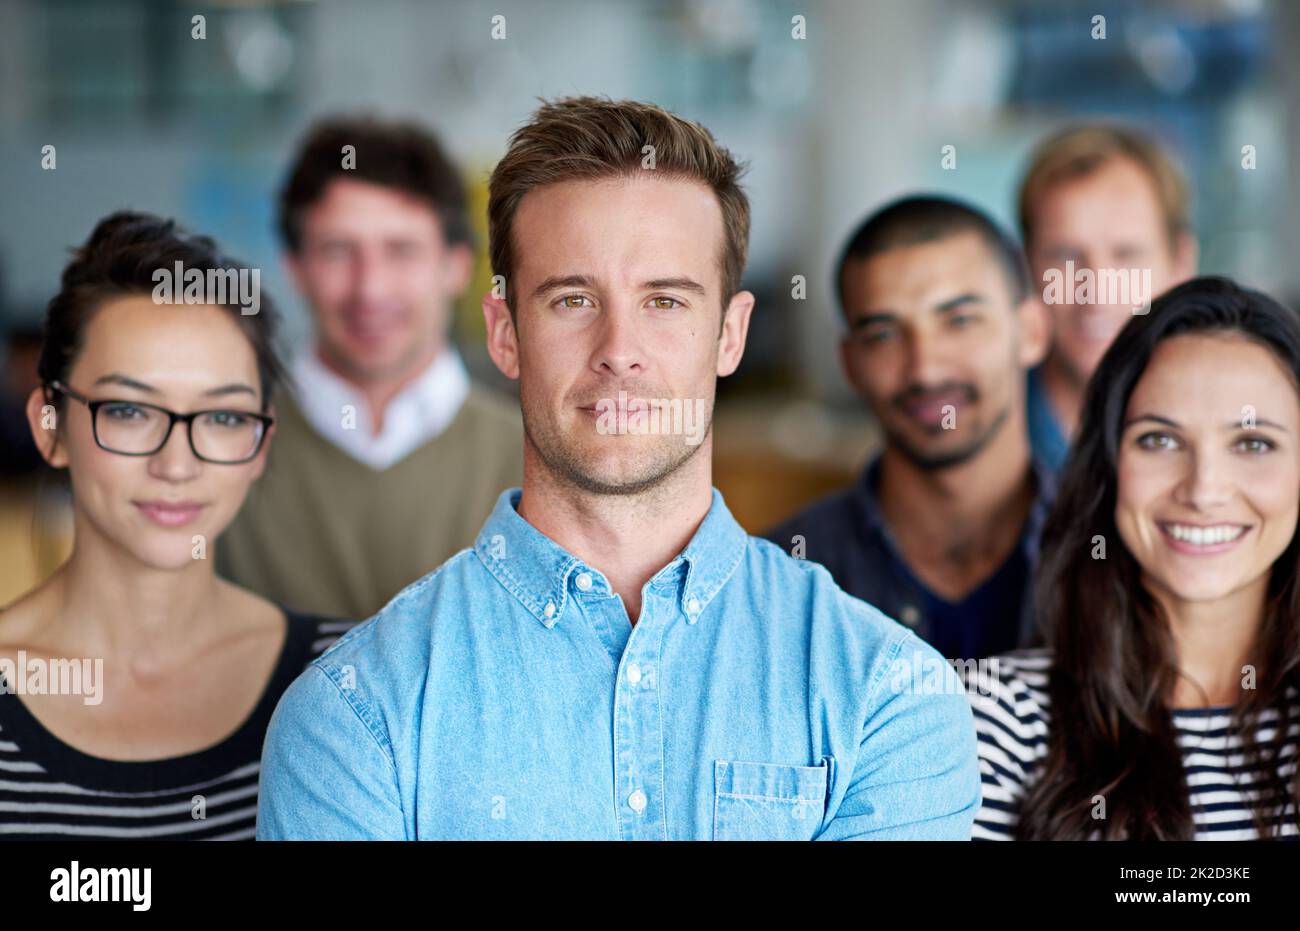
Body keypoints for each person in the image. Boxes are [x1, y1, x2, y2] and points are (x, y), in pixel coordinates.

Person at [257, 97, 980, 841]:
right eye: (572, 299)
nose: (619, 348)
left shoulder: (890, 692)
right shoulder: (349, 714)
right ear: (504, 335)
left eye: (665, 300)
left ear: (730, 335)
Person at [0, 212, 353, 839]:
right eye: (130, 409)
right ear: (49, 426)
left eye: (222, 417)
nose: (176, 463)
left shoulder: (356, 682)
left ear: (263, 442)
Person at [965, 277, 1300, 840]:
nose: (1203, 488)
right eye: (1160, 440)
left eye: (1253, 443)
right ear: (1109, 466)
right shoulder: (994, 717)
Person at [218, 116, 524, 620]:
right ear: (295, 267)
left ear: (457, 266)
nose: (370, 289)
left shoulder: (536, 460)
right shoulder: (218, 454)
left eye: (401, 250)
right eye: (339, 251)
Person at [766, 196, 1054, 660]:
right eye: (883, 334)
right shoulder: (780, 579)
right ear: (850, 364)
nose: (925, 370)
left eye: (959, 321)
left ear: (1032, 332)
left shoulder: (1116, 558)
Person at [1019, 125, 1197, 472]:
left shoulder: (1239, 426)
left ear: (1181, 263)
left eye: (1126, 255)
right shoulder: (974, 439)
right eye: (1065, 257)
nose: (1097, 291)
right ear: (1025, 266)